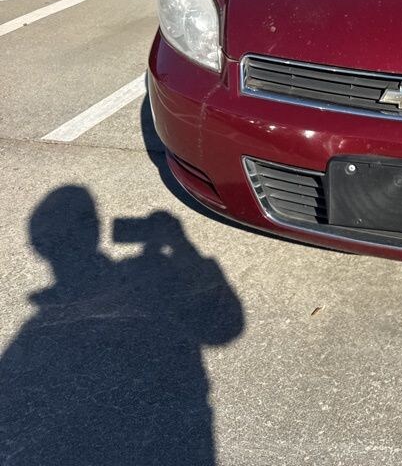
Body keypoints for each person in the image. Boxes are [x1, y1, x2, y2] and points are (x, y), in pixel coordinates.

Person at [0, 186, 244, 465]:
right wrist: (180, 244)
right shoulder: (139, 278)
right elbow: (224, 328)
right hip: (172, 432)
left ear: (39, 246)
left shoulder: (34, 331)